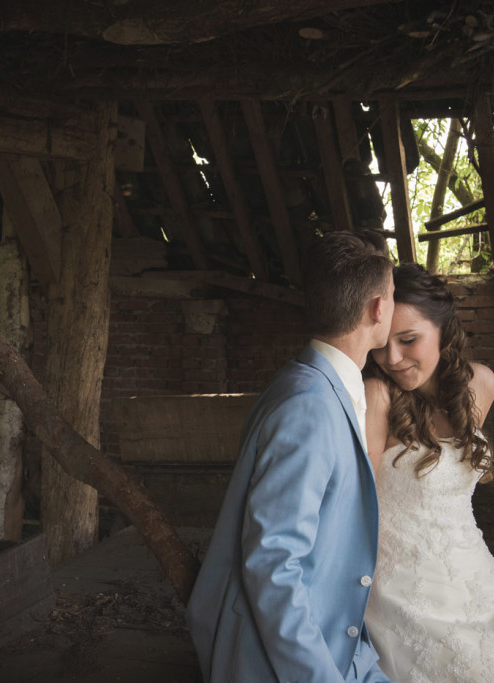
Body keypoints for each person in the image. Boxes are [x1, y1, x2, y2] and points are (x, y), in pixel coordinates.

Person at [186, 230, 397, 683]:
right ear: (379, 309)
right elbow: (272, 561)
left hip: (341, 644)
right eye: (393, 296)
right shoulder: (310, 407)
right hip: (286, 663)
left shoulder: (315, 382)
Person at [363, 263, 494, 683]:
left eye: (408, 340)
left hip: (476, 577)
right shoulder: (377, 396)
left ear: (444, 330)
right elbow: (359, 503)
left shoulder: (482, 384)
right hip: (404, 592)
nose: (391, 358)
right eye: (381, 344)